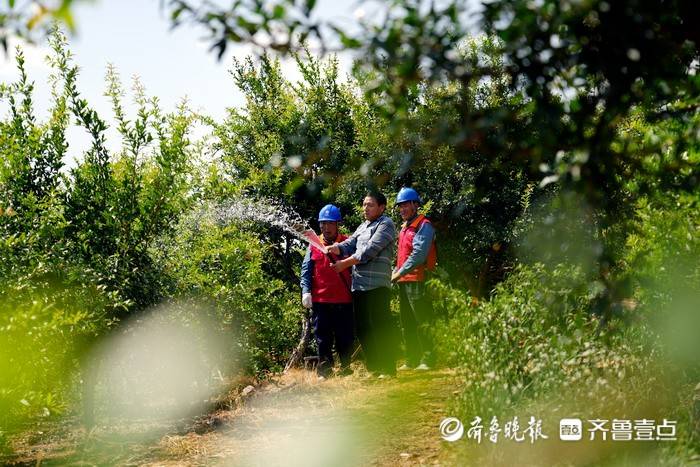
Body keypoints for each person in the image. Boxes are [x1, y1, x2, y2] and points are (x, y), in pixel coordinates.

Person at [327, 191, 398, 378]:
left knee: (381, 325)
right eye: (364, 204)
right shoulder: (363, 225)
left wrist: (344, 264)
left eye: (370, 205)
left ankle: (389, 368)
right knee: (363, 328)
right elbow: (351, 242)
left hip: (377, 285)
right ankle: (374, 367)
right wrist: (337, 247)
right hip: (359, 285)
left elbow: (369, 251)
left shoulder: (386, 224)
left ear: (382, 207)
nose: (365, 208)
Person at [300, 204, 354, 378]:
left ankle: (346, 369)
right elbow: (306, 270)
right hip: (321, 301)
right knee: (322, 338)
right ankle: (325, 371)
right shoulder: (313, 245)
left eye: (330, 223)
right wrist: (306, 291)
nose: (325, 227)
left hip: (343, 300)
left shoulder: (347, 242)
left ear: (337, 224)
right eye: (323, 223)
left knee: (344, 337)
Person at [391, 187, 437, 371]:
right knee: (407, 322)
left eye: (405, 205)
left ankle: (428, 359)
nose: (402, 209)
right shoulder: (404, 228)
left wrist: (399, 272)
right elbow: (401, 256)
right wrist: (395, 271)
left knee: (423, 320)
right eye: (400, 206)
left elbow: (418, 255)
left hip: (419, 279)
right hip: (404, 280)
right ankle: (412, 359)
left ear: (415, 205)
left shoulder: (423, 225)